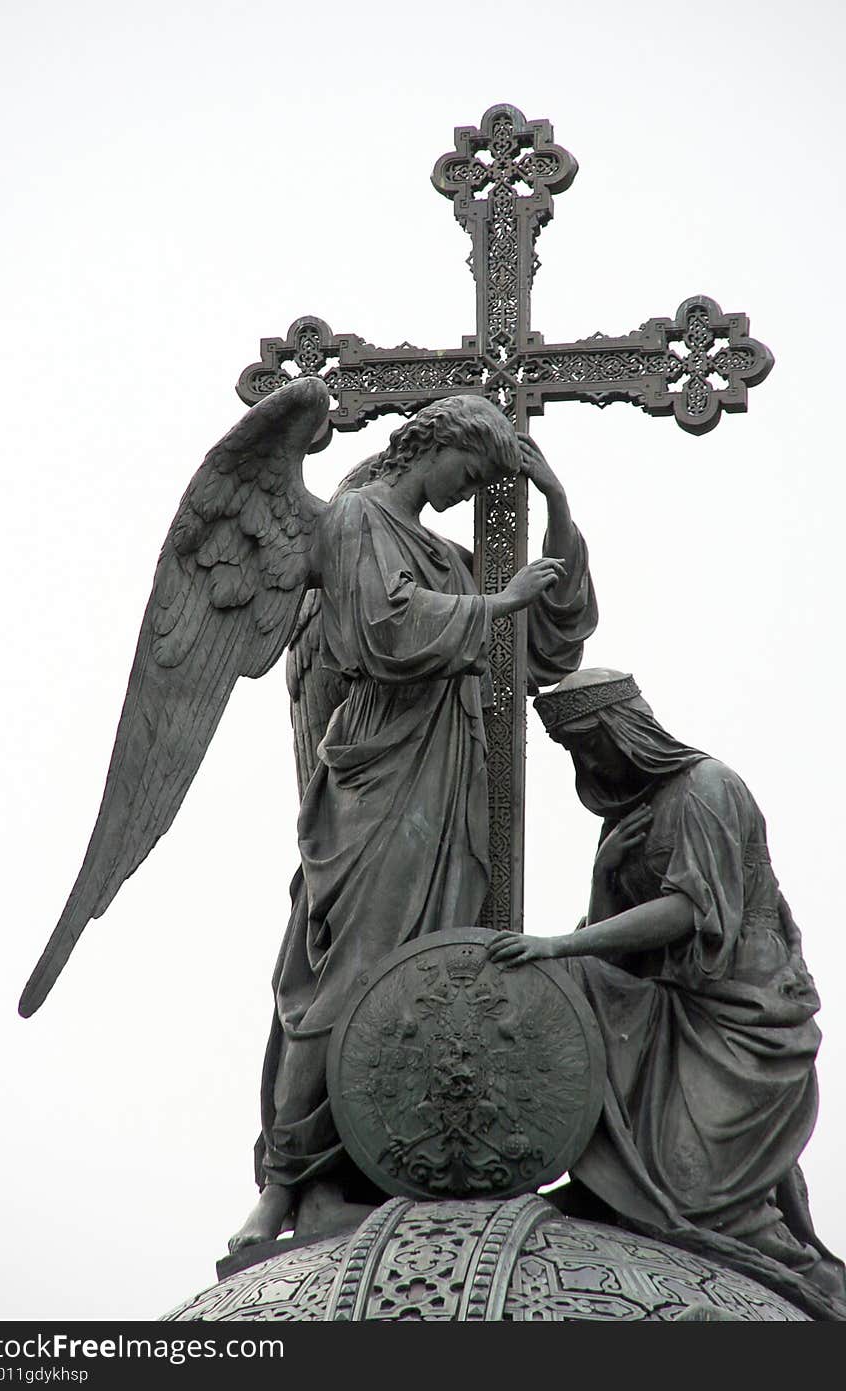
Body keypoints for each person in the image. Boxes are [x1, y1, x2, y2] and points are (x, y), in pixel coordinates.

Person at [229, 397, 597, 1250]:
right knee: (347, 974)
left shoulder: (448, 555)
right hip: (382, 777)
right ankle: (290, 1183)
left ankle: (384, 1164)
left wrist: (558, 510)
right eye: (467, 475)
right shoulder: (358, 517)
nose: (469, 494)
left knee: (434, 974)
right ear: (430, 446)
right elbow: (380, 632)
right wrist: (498, 603)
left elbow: (555, 639)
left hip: (451, 775)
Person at [488, 667, 844, 1297]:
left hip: (743, 1012)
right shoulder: (632, 817)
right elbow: (618, 951)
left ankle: (813, 1287)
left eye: (589, 742)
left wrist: (558, 943)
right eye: (573, 751)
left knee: (707, 1195)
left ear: (625, 730)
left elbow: (689, 911)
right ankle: (612, 1171)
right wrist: (603, 878)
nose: (587, 760)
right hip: (675, 1002)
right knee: (575, 982)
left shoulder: (708, 787)